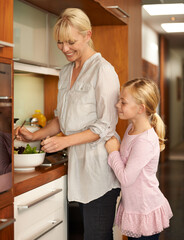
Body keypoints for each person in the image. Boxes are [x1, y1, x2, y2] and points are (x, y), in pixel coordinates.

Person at [15, 8, 120, 240]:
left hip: (98, 170)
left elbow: (105, 126)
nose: (64, 48)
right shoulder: (64, 72)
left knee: (97, 237)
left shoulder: (103, 70)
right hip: (78, 171)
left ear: (87, 35)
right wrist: (35, 136)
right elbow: (62, 118)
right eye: (60, 43)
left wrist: (64, 141)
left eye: (71, 41)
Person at [105, 78, 173, 240]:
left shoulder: (145, 141)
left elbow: (126, 178)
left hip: (145, 209)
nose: (117, 105)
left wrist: (113, 152)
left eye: (123, 102)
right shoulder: (131, 128)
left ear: (140, 108)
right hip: (134, 207)